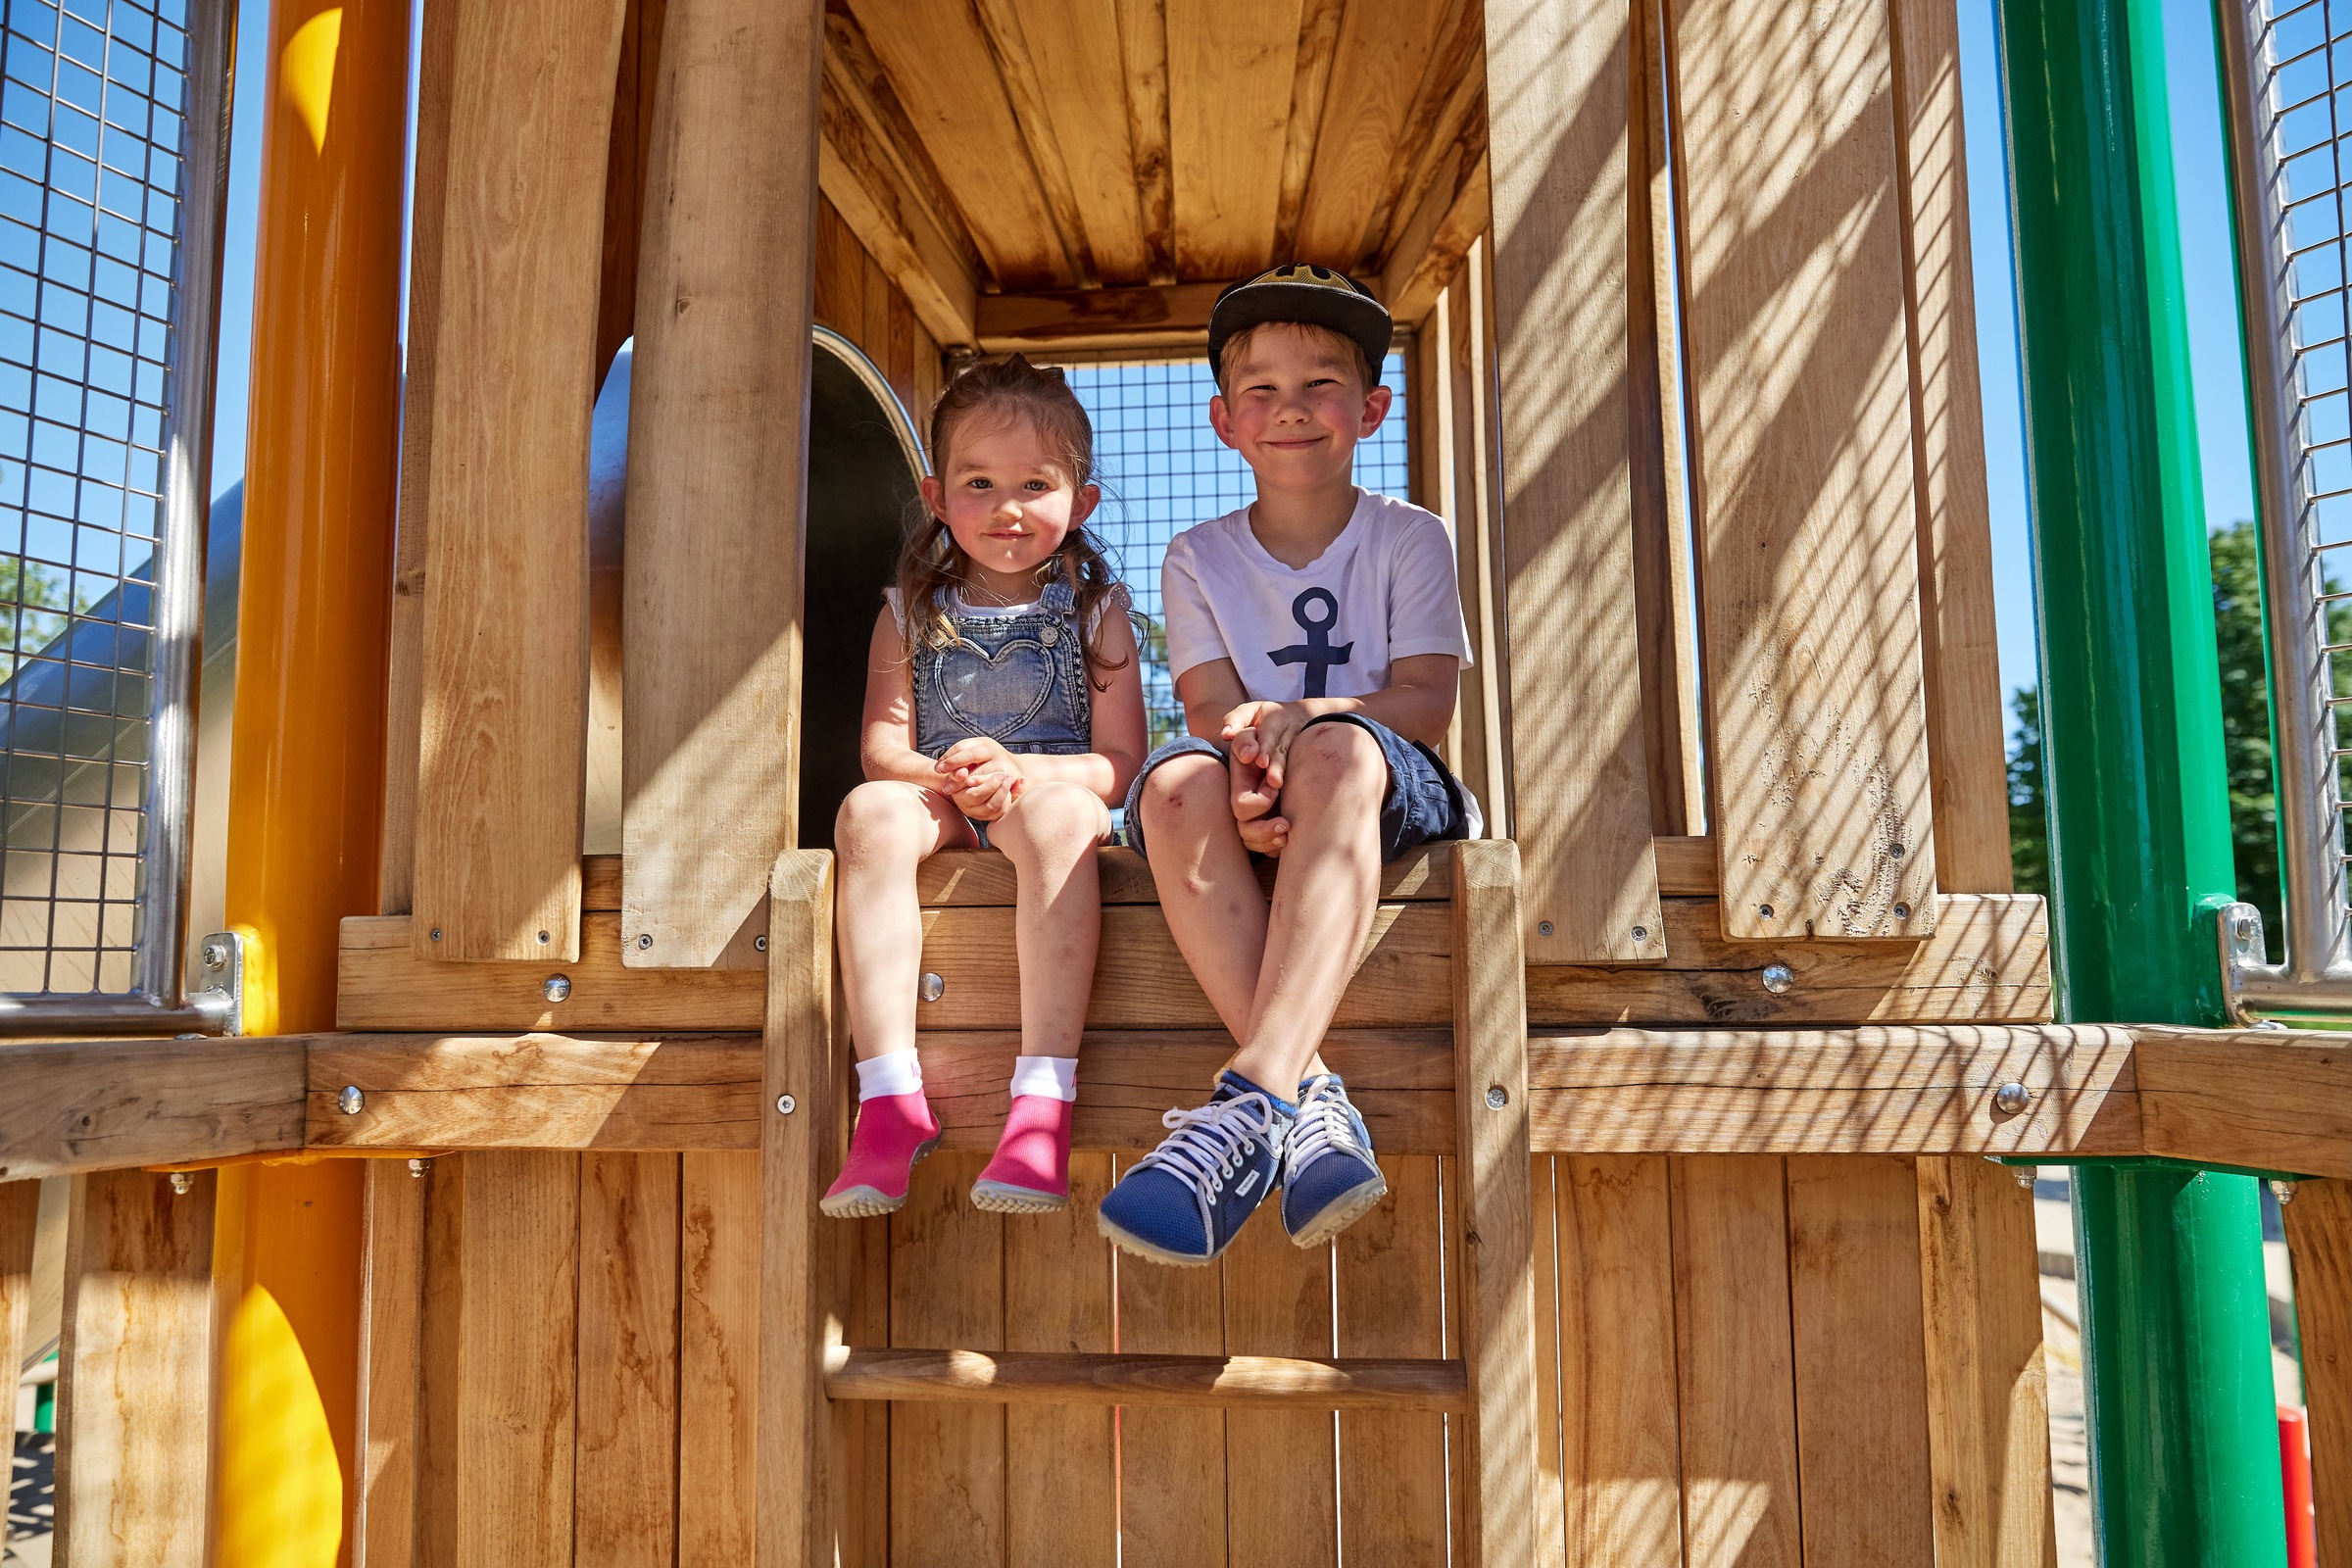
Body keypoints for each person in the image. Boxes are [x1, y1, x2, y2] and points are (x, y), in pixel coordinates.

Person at [1096, 265, 1480, 1266]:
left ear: (1373, 408)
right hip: (1256, 776)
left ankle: (1257, 1088)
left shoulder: (1409, 537)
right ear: (1224, 422)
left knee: (1343, 747)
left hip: (1391, 790)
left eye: (1320, 384)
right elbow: (1215, 712)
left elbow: (1428, 702)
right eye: (1260, 389)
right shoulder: (1195, 556)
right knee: (1174, 783)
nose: (1291, 408)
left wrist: (1309, 718)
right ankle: (1305, 1106)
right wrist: (1254, 781)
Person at [821, 355, 1148, 1219]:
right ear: (936, 497)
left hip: (1042, 802)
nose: (1007, 508)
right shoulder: (906, 610)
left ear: (1081, 502)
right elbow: (883, 744)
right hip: (944, 798)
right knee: (868, 815)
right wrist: (945, 774)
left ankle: (1042, 1103)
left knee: (1067, 812)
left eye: (1035, 483)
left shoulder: (1095, 609)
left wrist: (1020, 772)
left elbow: (1119, 763)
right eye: (979, 482)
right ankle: (889, 1097)